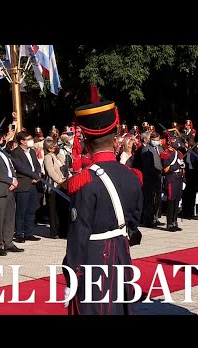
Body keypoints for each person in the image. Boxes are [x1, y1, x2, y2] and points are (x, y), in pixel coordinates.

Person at [63, 100, 143, 315]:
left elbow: (79, 232)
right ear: (115, 140)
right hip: (121, 253)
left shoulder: (85, 180)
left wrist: (71, 272)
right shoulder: (132, 175)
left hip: (94, 257)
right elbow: (134, 221)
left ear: (86, 142)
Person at [10, 131, 42, 242]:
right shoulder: (15, 153)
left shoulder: (32, 152)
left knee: (31, 209)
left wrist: (38, 174)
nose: (31, 141)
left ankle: (29, 232)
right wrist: (33, 175)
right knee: (21, 210)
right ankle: (19, 233)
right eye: (28, 139)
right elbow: (20, 168)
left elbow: (37, 165)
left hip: (33, 184)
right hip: (23, 184)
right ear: (22, 141)